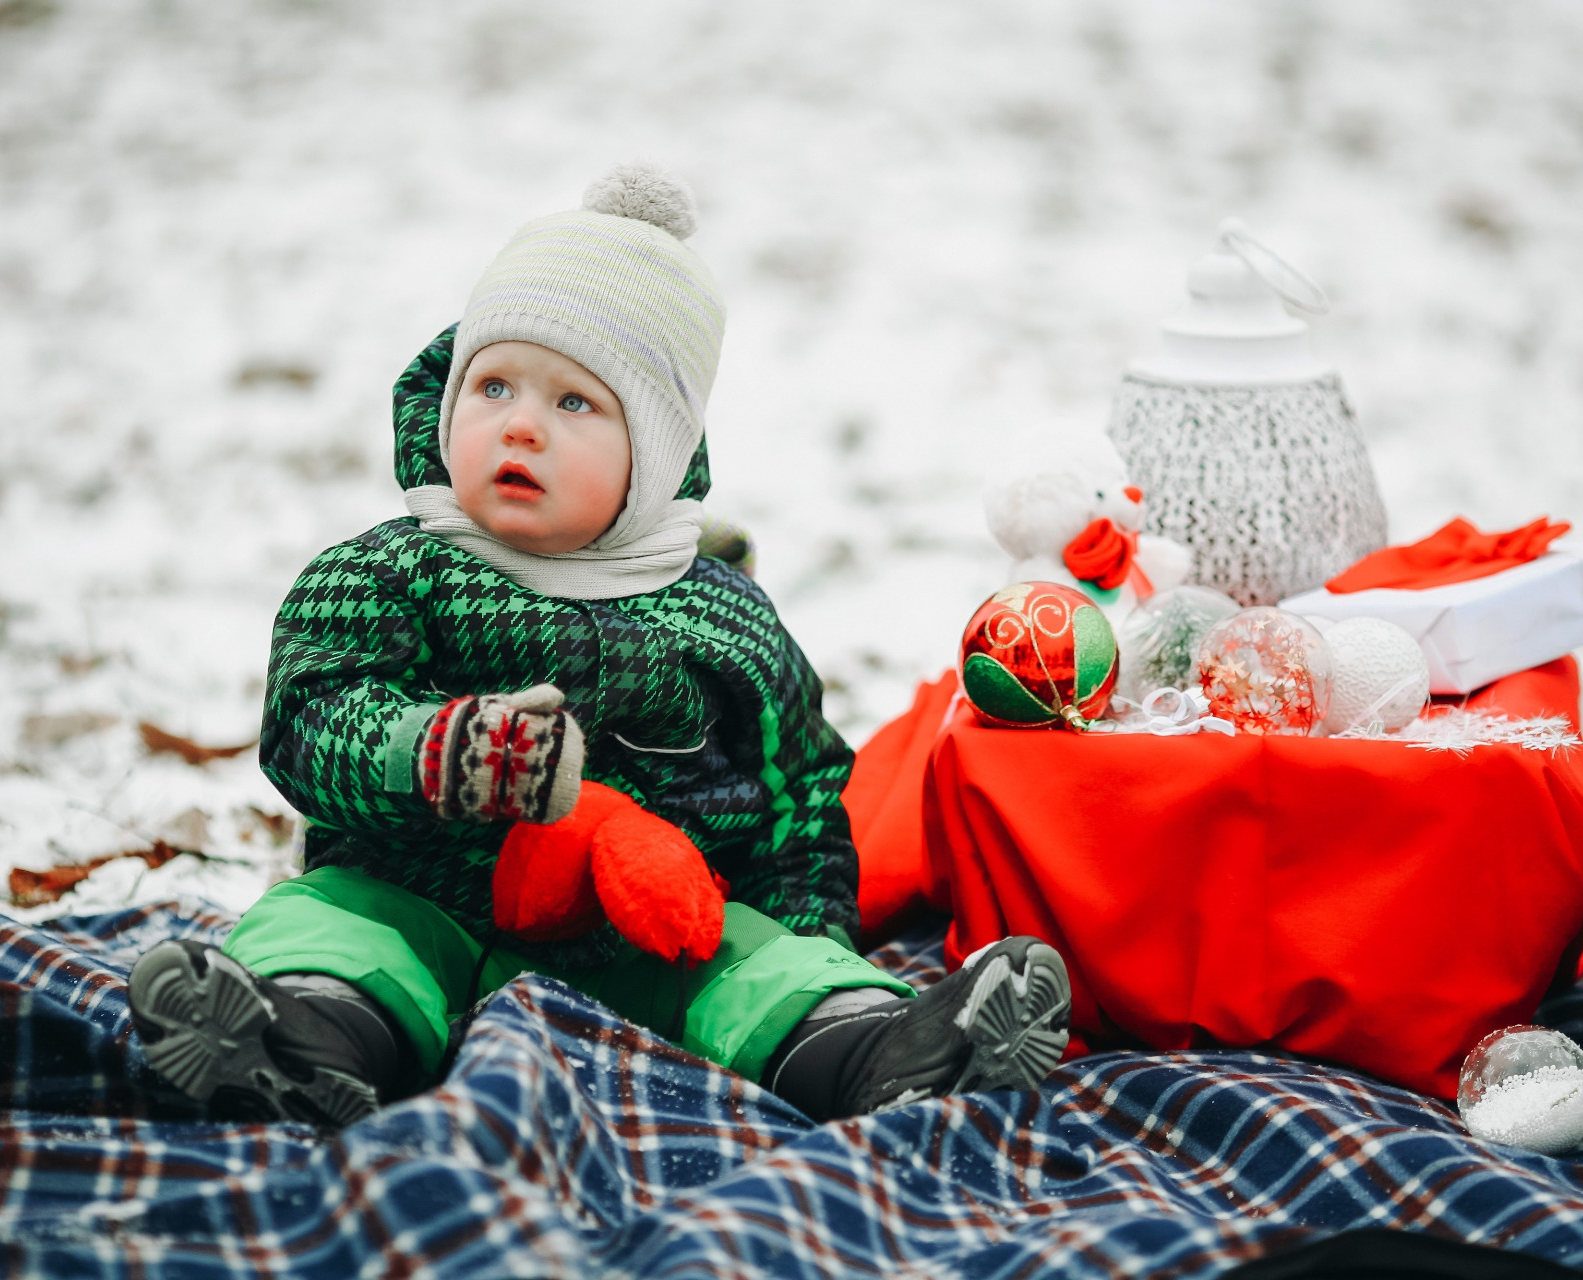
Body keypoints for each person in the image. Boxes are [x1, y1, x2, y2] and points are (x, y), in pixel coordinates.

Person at [128, 163, 1071, 1128]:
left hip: (653, 930)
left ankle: (880, 1048)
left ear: (654, 455)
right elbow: (309, 721)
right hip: (420, 892)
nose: (522, 425)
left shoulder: (721, 617)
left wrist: (807, 939)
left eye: (575, 403)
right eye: (492, 384)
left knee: (765, 969)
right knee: (324, 924)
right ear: (449, 401)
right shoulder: (389, 572)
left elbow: (799, 796)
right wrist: (434, 750)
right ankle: (297, 1042)